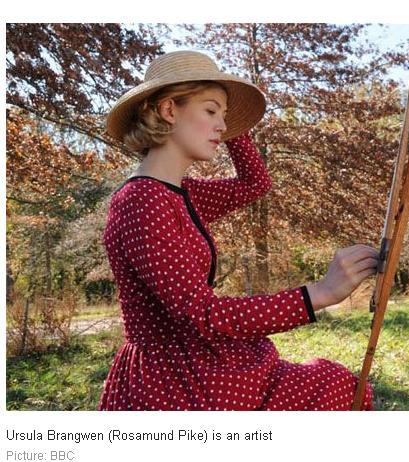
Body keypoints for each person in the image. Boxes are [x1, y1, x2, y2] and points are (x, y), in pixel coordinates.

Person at [98, 50, 379, 411]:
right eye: (211, 111)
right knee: (335, 389)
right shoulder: (143, 200)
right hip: (173, 382)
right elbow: (204, 315)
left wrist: (232, 123)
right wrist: (320, 293)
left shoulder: (182, 193)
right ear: (169, 110)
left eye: (226, 117)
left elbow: (254, 183)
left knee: (339, 386)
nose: (221, 126)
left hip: (202, 365)